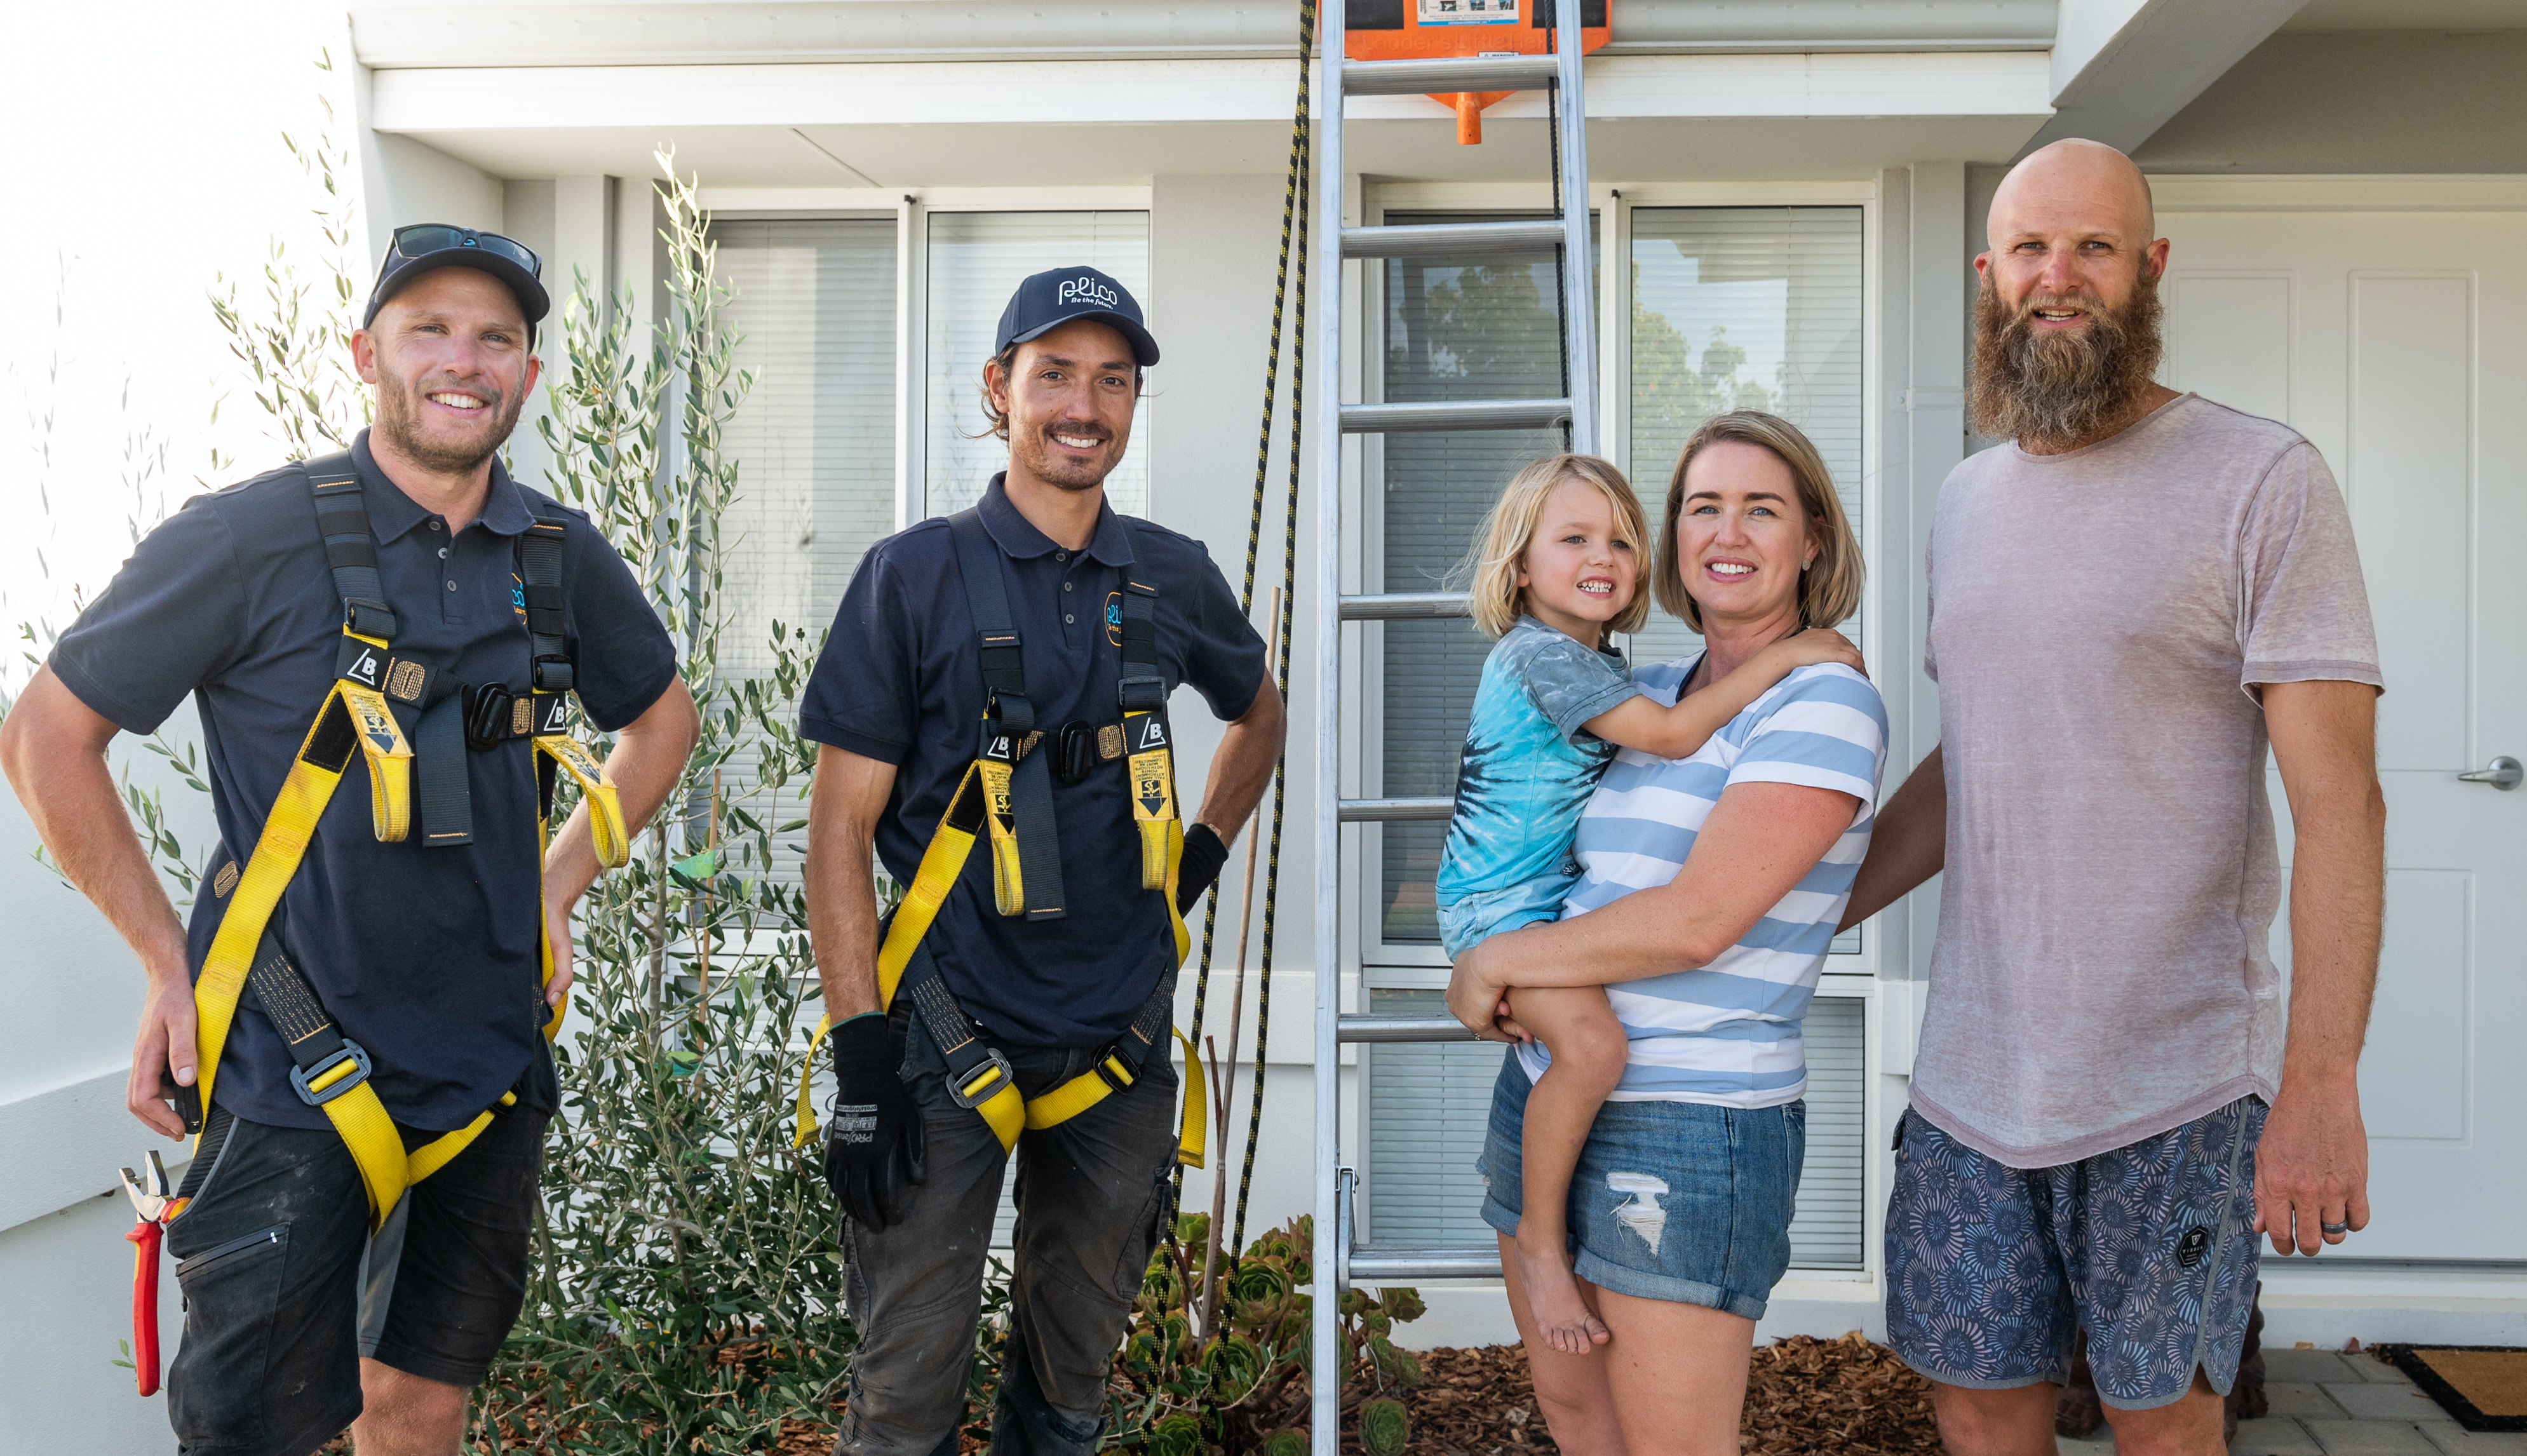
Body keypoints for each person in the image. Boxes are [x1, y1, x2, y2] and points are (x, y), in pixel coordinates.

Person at [0, 224, 699, 1456]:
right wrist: (169, 967)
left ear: (529, 375)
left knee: (420, 1407)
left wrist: (556, 888)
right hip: (284, 1069)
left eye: (497, 338)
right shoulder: (246, 539)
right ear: (366, 352)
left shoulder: (556, 559)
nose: (463, 360)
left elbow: (663, 722)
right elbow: (48, 738)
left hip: (484, 1072)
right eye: (429, 327)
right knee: (253, 1434)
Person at [1842, 139, 2386, 1456]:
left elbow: (2345, 809)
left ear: (2149, 269)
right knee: (1976, 1410)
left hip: (2178, 1079)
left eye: (2093, 247)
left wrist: (2320, 1079)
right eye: (2030, 248)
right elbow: (1974, 766)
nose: (2058, 276)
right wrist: (1786, 903)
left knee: (2164, 1421)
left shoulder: (2263, 480)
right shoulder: (1966, 503)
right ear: (1989, 275)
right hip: (1976, 1075)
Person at [797, 265, 1285, 1456]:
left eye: (1112, 380)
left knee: (1068, 1396)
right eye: (1055, 373)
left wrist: (1198, 857)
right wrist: (861, 1058)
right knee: (904, 1396)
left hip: (1114, 1046)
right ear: (998, 387)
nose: (1084, 404)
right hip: (941, 1037)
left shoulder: (1169, 574)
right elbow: (838, 831)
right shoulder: (909, 577)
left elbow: (1258, 713)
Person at [1447, 412, 1887, 1456]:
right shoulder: (1635, 686)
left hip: (1690, 1124)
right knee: (1575, 1416)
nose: (1726, 532)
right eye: (1702, 507)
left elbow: (1698, 924)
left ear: (1813, 538)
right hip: (1551, 1083)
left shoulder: (1822, 698)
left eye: (1761, 509)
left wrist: (1492, 961)